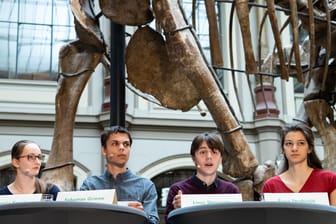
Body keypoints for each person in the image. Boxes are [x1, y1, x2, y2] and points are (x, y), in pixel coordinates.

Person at [80, 126, 159, 224]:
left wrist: (140, 216)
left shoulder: (146, 186)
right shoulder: (90, 186)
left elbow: (153, 222)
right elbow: (81, 219)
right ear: (104, 150)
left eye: (126, 144)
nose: (122, 148)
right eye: (115, 144)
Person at [165, 132, 240, 223]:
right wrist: (177, 212)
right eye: (203, 152)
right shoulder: (178, 190)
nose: (209, 157)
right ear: (194, 158)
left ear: (221, 158)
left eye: (214, 152)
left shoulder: (231, 190)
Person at [261, 123, 336, 206]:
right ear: (283, 149)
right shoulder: (271, 186)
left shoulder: (330, 180)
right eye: (289, 143)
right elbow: (267, 218)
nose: (294, 148)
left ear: (310, 148)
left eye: (301, 143)